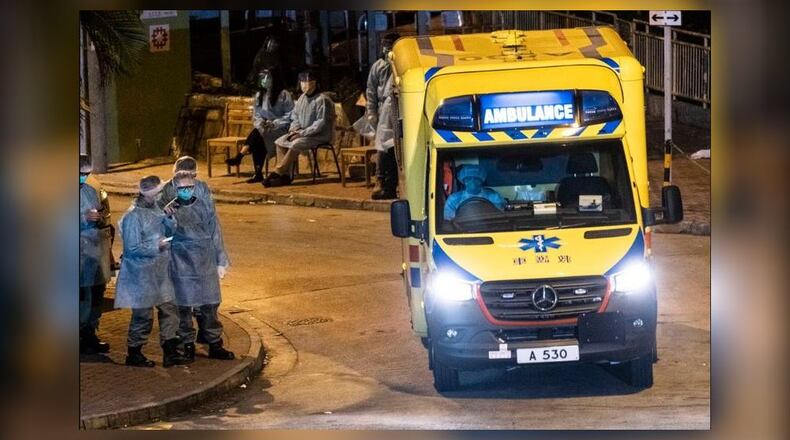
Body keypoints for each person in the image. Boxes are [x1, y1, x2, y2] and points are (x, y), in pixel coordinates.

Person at [114, 176, 189, 368]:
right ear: (149, 193)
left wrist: (170, 217)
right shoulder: (133, 217)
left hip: (159, 269)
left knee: (169, 308)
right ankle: (135, 352)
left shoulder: (155, 209)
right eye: (158, 192)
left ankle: (170, 350)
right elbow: (132, 248)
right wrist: (156, 246)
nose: (161, 195)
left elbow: (166, 229)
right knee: (143, 314)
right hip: (140, 273)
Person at [165, 171, 235, 361]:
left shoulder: (204, 205)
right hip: (181, 262)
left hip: (205, 261)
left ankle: (214, 343)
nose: (186, 191)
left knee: (210, 304)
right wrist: (167, 219)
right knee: (184, 306)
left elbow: (215, 233)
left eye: (189, 187)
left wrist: (221, 260)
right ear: (175, 188)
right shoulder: (170, 210)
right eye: (182, 188)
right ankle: (187, 345)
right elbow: (163, 236)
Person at [264, 69, 335, 187]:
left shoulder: (322, 100)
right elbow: (295, 116)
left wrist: (302, 133)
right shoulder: (302, 98)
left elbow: (320, 123)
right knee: (280, 142)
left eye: (309, 80)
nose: (305, 83)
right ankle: (285, 176)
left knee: (296, 144)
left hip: (319, 135)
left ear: (315, 82)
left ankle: (278, 172)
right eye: (302, 81)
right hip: (301, 132)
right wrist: (293, 130)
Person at [226, 68, 294, 183]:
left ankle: (240, 156)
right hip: (265, 128)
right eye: (263, 78)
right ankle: (257, 173)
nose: (265, 80)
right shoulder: (259, 95)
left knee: (258, 134)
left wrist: (275, 123)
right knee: (259, 136)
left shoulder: (283, 94)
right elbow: (257, 115)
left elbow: (290, 114)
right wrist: (261, 122)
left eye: (268, 77)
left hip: (280, 129)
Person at [79, 155, 112, 355]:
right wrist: (83, 218)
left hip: (94, 250)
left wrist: (99, 218)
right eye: (80, 174)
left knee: (96, 295)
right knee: (80, 297)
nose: (83, 177)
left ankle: (90, 333)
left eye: (86, 174)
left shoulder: (92, 191)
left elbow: (103, 215)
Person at [366, 32, 400, 200]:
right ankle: (382, 182)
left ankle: (391, 184)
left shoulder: (402, 65)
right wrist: (371, 112)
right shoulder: (378, 66)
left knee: (395, 149)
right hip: (384, 110)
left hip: (399, 107)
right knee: (383, 147)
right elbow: (371, 91)